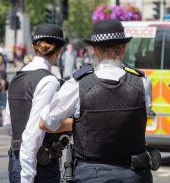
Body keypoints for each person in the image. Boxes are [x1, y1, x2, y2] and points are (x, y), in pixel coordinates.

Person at [39, 19, 153, 182]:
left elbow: (46, 122)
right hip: (134, 174)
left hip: (92, 175)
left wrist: (81, 123)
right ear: (124, 47)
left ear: (94, 49)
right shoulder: (142, 82)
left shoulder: (78, 84)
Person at [4, 23, 72, 183]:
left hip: (16, 161)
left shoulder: (16, 77)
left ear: (34, 47)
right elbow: (34, 132)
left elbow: (9, 125)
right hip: (38, 165)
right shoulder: (48, 81)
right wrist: (27, 176)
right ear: (59, 50)